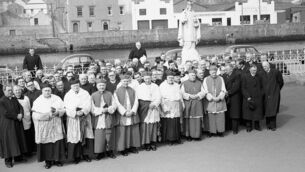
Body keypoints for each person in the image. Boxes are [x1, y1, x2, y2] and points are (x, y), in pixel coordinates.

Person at [32, 83, 66, 169]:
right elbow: (35, 115)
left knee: (57, 143)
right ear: (42, 91)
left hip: (56, 125)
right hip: (45, 127)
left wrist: (58, 112)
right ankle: (48, 162)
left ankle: (57, 160)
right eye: (45, 90)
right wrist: (48, 115)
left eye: (49, 90)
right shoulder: (38, 101)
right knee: (47, 145)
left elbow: (63, 109)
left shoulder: (57, 98)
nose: (47, 92)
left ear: (51, 90)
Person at [64, 79, 94, 164]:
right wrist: (75, 113)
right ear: (71, 86)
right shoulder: (68, 95)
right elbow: (66, 107)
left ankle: (86, 155)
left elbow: (89, 104)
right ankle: (76, 156)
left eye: (77, 85)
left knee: (85, 135)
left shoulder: (85, 93)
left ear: (79, 85)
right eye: (74, 86)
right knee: (75, 136)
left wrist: (83, 111)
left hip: (84, 117)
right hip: (74, 119)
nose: (76, 87)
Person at [0, 85, 28, 168]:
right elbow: (5, 113)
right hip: (7, 125)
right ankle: (8, 160)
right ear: (4, 91)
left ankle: (18, 157)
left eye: (11, 90)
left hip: (16, 123)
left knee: (17, 140)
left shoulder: (14, 99)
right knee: (8, 142)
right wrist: (17, 116)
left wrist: (21, 114)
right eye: (8, 90)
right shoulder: (1, 101)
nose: (11, 92)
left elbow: (21, 108)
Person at [114, 74, 140, 156]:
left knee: (132, 131)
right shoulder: (117, 91)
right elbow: (117, 103)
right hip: (123, 115)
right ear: (121, 81)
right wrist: (124, 112)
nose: (125, 82)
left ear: (129, 81)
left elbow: (136, 101)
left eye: (127, 81)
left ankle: (132, 147)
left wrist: (133, 111)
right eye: (124, 81)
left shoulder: (132, 90)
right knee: (123, 132)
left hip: (132, 113)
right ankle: (123, 148)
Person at [91, 79, 117, 160]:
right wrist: (101, 110)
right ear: (97, 86)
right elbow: (92, 108)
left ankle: (109, 151)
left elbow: (114, 104)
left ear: (105, 86)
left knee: (109, 135)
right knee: (99, 136)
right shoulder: (93, 95)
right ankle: (100, 152)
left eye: (103, 85)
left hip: (108, 116)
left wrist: (109, 109)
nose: (101, 87)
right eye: (100, 85)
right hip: (99, 118)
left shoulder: (109, 94)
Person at [137, 71, 161, 151]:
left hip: (153, 107)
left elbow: (159, 97)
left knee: (153, 125)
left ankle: (153, 142)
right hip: (144, 108)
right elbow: (138, 99)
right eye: (146, 78)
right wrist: (147, 105)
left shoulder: (155, 86)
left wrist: (154, 104)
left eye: (149, 78)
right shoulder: (140, 87)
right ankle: (146, 143)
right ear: (143, 78)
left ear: (151, 78)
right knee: (145, 125)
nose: (147, 80)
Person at [159, 70, 184, 144]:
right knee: (168, 123)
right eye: (169, 78)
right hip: (167, 105)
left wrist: (182, 105)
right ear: (166, 78)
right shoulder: (162, 85)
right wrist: (164, 108)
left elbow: (180, 96)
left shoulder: (176, 85)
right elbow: (161, 98)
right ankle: (169, 139)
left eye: (172, 78)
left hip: (176, 105)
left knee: (176, 122)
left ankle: (176, 138)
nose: (171, 79)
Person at [181, 70, 205, 140]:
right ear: (188, 75)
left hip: (197, 103)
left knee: (197, 119)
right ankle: (188, 135)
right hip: (188, 103)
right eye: (192, 75)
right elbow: (182, 93)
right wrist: (189, 96)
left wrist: (198, 95)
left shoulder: (199, 83)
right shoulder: (184, 83)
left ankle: (197, 135)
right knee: (188, 119)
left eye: (194, 75)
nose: (193, 76)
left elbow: (203, 92)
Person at [203, 65, 227, 137]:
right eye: (212, 72)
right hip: (211, 101)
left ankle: (220, 131)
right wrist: (212, 97)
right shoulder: (206, 79)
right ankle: (212, 131)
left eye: (215, 72)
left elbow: (223, 89)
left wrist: (219, 97)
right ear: (209, 72)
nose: (214, 74)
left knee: (220, 117)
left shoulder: (221, 78)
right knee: (211, 117)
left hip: (219, 100)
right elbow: (205, 90)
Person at [261, 61, 284, 131]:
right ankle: (268, 125)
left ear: (268, 66)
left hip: (274, 94)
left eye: (265, 66)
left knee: (273, 109)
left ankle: (273, 126)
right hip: (265, 94)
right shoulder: (261, 73)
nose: (264, 68)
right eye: (263, 67)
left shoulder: (276, 72)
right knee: (267, 109)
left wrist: (276, 90)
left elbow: (281, 82)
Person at [241, 65, 264, 132]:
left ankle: (257, 126)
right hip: (248, 98)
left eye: (255, 70)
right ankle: (249, 127)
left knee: (257, 113)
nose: (254, 71)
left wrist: (261, 94)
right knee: (248, 113)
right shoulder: (245, 76)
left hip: (258, 97)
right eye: (253, 70)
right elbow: (243, 88)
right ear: (250, 70)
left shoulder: (259, 76)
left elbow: (262, 87)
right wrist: (247, 97)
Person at [14, 86, 35, 156]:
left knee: (27, 136)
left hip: (26, 118)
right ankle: (21, 153)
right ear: (14, 91)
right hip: (18, 120)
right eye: (16, 90)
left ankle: (29, 151)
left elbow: (29, 108)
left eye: (19, 90)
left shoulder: (26, 98)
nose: (18, 92)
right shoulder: (13, 99)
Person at [222, 64, 241, 134]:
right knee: (227, 112)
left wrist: (228, 92)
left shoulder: (236, 75)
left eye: (227, 69)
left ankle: (235, 129)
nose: (225, 71)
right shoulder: (223, 76)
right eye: (225, 69)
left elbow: (236, 86)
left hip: (234, 96)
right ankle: (228, 127)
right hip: (226, 97)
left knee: (234, 113)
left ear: (231, 69)